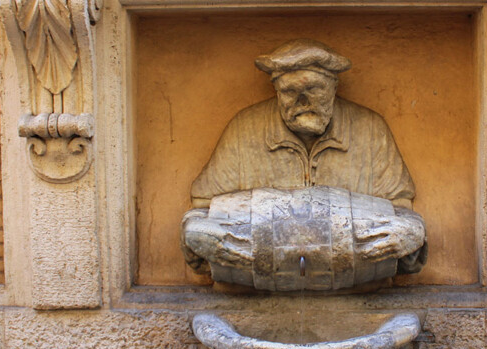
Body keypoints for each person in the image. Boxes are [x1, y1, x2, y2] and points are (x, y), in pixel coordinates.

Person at [182, 38, 426, 283]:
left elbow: (401, 212)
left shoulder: (370, 130)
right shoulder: (244, 130)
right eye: (290, 91)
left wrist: (410, 233)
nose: (302, 101)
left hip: (359, 290)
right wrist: (198, 233)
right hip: (255, 292)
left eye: (314, 89)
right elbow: (203, 209)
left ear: (333, 88)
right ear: (277, 91)